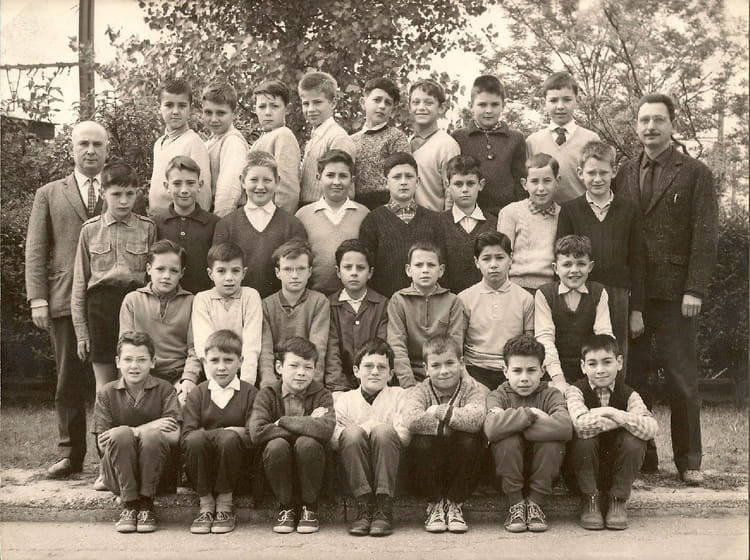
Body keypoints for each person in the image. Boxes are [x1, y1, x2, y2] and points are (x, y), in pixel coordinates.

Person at [613, 93, 718, 484]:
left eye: (658, 119)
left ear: (672, 125)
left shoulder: (695, 172)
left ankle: (689, 461)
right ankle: (644, 458)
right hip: (634, 295)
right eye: (644, 120)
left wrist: (696, 288)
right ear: (636, 126)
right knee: (635, 378)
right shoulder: (624, 171)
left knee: (681, 379)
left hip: (677, 294)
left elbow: (705, 235)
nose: (650, 127)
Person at [25, 120, 106, 478]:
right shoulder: (49, 194)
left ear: (107, 150)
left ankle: (110, 454)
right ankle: (70, 454)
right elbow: (36, 250)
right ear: (71, 149)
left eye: (97, 145)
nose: (90, 151)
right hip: (62, 298)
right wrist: (37, 299)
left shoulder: (120, 189)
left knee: (111, 378)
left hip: (108, 302)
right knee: (68, 378)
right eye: (83, 144)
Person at [556, 141, 646, 368]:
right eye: (591, 173)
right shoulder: (570, 210)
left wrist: (636, 310)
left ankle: (615, 392)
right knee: (583, 353)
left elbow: (638, 262)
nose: (597, 179)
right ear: (580, 173)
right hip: (581, 292)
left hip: (617, 295)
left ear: (613, 171)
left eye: (603, 173)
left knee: (613, 353)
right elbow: (561, 256)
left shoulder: (629, 210)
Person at [71, 162, 157, 392]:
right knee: (104, 384)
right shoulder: (90, 230)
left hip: (135, 306)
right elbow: (79, 283)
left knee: (132, 378)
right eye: (116, 194)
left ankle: (128, 418)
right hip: (100, 309)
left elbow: (154, 278)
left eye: (129, 194)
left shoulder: (147, 228)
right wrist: (81, 332)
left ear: (137, 193)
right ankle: (102, 418)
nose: (123, 201)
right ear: (102, 193)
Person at [566, 334, 658, 530]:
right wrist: (624, 421)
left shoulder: (630, 395)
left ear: (619, 362)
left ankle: (618, 499)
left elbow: (651, 428)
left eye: (607, 362)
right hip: (584, 471)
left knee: (635, 440)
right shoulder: (575, 391)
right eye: (592, 364)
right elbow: (579, 425)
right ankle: (590, 499)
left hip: (617, 469)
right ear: (583, 366)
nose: (600, 370)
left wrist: (614, 413)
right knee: (584, 439)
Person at [93, 331, 181, 533]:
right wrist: (139, 429)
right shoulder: (106, 393)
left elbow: (174, 435)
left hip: (157, 476)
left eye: (141, 360)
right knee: (121, 435)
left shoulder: (165, 389)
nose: (134, 366)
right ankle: (130, 505)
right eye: (128, 359)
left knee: (152, 436)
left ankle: (147, 504)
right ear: (117, 362)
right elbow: (103, 444)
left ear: (153, 362)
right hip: (118, 476)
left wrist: (138, 431)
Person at [484, 334, 572, 533]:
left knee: (552, 443)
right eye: (517, 370)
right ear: (505, 371)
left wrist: (512, 423)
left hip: (543, 474)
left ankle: (535, 504)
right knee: (507, 441)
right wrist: (531, 414)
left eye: (531, 370)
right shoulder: (498, 395)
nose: (524, 378)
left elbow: (565, 428)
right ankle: (515, 505)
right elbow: (491, 429)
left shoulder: (551, 394)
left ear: (542, 370)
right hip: (505, 475)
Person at [248, 336, 336, 534]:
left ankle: (310, 508)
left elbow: (326, 429)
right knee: (277, 445)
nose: (301, 372)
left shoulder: (322, 394)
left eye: (308, 367)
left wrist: (282, 422)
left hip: (312, 465)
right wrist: (308, 423)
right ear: (279, 367)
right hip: (276, 466)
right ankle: (285, 507)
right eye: (294, 365)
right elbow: (257, 432)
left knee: (307, 443)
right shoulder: (267, 394)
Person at [402, 334, 486, 534]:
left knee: (471, 441)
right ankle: (435, 504)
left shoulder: (471, 389)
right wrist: (453, 424)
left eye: (450, 363)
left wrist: (440, 411)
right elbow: (411, 419)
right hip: (431, 459)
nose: (444, 371)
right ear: (426, 368)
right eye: (436, 365)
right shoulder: (420, 390)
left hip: (459, 457)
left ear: (461, 363)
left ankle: (455, 503)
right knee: (420, 443)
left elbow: (476, 419)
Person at [181, 330, 257, 535]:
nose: (221, 367)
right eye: (214, 360)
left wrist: (222, 434)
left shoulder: (250, 393)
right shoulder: (199, 393)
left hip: (236, 468)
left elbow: (254, 434)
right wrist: (227, 431)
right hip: (202, 468)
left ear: (240, 361)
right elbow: (187, 435)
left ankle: (225, 505)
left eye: (228, 360)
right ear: (205, 362)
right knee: (196, 439)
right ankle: (205, 504)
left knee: (229, 438)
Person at [332, 338, 409, 537]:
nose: (375, 372)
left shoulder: (399, 395)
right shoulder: (345, 399)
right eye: (368, 366)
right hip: (355, 472)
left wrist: (369, 427)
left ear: (391, 374)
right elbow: (334, 438)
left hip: (390, 471)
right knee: (351, 434)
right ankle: (363, 507)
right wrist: (359, 431)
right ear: (356, 371)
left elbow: (405, 435)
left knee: (383, 432)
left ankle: (384, 508)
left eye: (382, 367)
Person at [212, 150, 307, 298]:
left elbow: (299, 270)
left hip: (280, 305)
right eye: (254, 180)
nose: (260, 186)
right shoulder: (226, 225)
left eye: (267, 180)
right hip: (238, 303)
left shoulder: (292, 225)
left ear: (277, 181)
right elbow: (219, 270)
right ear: (243, 181)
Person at [119, 240, 201, 401]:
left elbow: (195, 348)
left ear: (182, 273)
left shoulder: (192, 302)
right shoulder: (133, 300)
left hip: (178, 374)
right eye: (160, 269)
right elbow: (126, 347)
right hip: (144, 373)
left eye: (174, 271)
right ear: (149, 269)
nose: (166, 276)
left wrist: (189, 379)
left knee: (183, 404)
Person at [359, 152, 445, 298]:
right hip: (386, 302)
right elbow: (367, 269)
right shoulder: (372, 221)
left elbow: (442, 266)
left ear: (417, 181)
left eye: (409, 176)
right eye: (397, 177)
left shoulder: (434, 220)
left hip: (426, 301)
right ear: (386, 182)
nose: (403, 182)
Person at [535, 235, 614, 392]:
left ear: (590, 266)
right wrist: (559, 379)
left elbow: (604, 335)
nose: (574, 270)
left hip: (589, 369)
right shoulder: (545, 294)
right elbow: (545, 339)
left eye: (581, 264)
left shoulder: (598, 292)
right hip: (553, 371)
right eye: (567, 264)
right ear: (555, 268)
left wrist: (599, 371)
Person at [459, 232, 534, 391]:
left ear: (510, 259)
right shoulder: (464, 298)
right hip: (475, 369)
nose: (493, 265)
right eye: (486, 259)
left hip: (512, 371)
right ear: (477, 262)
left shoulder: (525, 298)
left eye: (500, 257)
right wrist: (464, 374)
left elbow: (529, 343)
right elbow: (457, 342)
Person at [387, 241, 466, 388]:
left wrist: (441, 379)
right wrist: (409, 385)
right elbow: (397, 345)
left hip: (443, 373)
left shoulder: (453, 302)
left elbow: (455, 345)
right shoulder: (399, 300)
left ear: (441, 270)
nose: (425, 270)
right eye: (418, 265)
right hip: (409, 374)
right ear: (408, 270)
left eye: (431, 265)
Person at [295, 149, 370, 295]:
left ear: (352, 180)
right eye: (330, 175)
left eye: (343, 176)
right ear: (319, 177)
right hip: (314, 298)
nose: (336, 182)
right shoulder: (303, 215)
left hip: (353, 297)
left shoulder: (364, 214)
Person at [258, 239, 330, 387]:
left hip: (306, 377)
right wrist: (269, 384)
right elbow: (266, 352)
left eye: (301, 269)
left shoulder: (319, 302)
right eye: (288, 269)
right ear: (278, 273)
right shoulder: (266, 305)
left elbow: (319, 348)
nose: (295, 275)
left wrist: (312, 385)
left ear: (309, 272)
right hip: (277, 378)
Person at [452, 75, 526, 215]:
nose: (488, 110)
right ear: (471, 105)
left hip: (507, 214)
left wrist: (521, 215)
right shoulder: (459, 137)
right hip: (470, 213)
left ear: (503, 105)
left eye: (495, 104)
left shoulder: (516, 138)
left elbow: (520, 181)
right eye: (482, 105)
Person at [191, 242, 262, 386]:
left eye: (235, 271)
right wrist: (216, 385)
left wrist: (246, 385)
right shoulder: (202, 299)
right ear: (210, 274)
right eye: (221, 271)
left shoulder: (250, 296)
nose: (229, 277)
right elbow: (204, 346)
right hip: (213, 374)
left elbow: (252, 344)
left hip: (244, 372)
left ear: (244, 273)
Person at [526, 72, 601, 204]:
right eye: (553, 100)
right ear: (544, 103)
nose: (560, 106)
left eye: (567, 100)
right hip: (543, 213)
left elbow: (598, 181)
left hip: (582, 212)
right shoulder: (533, 141)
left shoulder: (591, 139)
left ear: (576, 100)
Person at [325, 239, 389, 392]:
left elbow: (382, 348)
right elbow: (331, 353)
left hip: (374, 381)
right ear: (338, 272)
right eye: (348, 267)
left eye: (360, 268)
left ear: (370, 272)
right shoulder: (329, 305)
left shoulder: (383, 305)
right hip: (340, 384)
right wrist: (338, 387)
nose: (354, 273)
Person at [152, 156, 220, 295]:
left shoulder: (214, 224)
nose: (184, 190)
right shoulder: (155, 223)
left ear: (200, 185)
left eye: (190, 183)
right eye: (177, 183)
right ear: (167, 186)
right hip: (164, 300)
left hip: (201, 300)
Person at [497, 153, 561, 293]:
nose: (541, 188)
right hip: (516, 287)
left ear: (557, 182)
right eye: (534, 181)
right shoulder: (511, 212)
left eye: (547, 181)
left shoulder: (562, 214)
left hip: (552, 288)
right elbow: (501, 255)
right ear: (524, 184)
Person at [149, 78, 211, 215]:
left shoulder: (193, 143)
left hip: (181, 221)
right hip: (157, 220)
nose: (175, 111)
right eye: (169, 105)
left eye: (182, 105)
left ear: (190, 108)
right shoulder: (159, 143)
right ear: (159, 107)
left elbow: (203, 196)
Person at [439, 154, 499, 294]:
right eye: (458, 184)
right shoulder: (437, 223)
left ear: (481, 185)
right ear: (448, 185)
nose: (465, 189)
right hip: (448, 300)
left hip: (485, 299)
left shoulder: (494, 224)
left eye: (470, 183)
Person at [351, 77, 410, 210]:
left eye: (388, 103)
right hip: (357, 206)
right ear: (363, 102)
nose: (382, 106)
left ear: (392, 109)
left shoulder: (395, 137)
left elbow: (403, 177)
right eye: (377, 100)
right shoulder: (351, 140)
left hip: (386, 206)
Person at [298, 71, 356, 206]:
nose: (310, 109)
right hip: (308, 209)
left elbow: (346, 191)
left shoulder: (338, 138)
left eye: (317, 102)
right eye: (306, 104)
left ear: (333, 102)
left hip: (327, 211)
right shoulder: (314, 138)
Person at [408, 78, 460, 212]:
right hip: (404, 220)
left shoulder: (447, 145)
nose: (421, 107)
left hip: (434, 221)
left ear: (441, 108)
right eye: (416, 102)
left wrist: (445, 222)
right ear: (409, 107)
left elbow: (452, 194)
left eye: (429, 102)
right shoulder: (405, 142)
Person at [250, 79, 301, 214]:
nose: (268, 112)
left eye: (274, 106)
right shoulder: (263, 138)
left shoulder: (283, 136)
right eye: (262, 107)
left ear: (287, 109)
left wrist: (280, 221)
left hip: (273, 217)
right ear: (255, 109)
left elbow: (287, 189)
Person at [202, 81, 249, 217]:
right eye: (208, 112)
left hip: (227, 216)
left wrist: (219, 223)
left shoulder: (232, 141)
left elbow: (228, 190)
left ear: (233, 113)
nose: (214, 119)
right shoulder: (212, 141)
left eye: (221, 113)